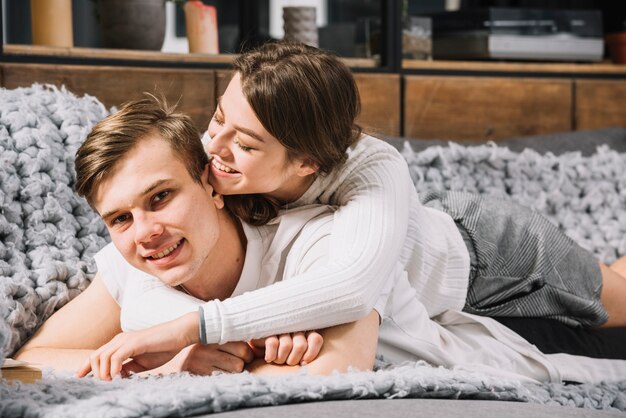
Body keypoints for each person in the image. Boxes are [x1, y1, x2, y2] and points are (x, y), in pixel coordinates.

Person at [74, 41, 626, 372]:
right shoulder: (212, 168)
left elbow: (349, 288)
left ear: (308, 163)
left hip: (488, 254)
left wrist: (188, 332)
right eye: (218, 118)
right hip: (421, 279)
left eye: (245, 143)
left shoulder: (372, 168)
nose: (213, 149)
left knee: (617, 299)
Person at [14, 96, 380, 378]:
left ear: (211, 185)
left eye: (160, 197)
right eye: (121, 218)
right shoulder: (133, 269)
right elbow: (31, 359)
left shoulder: (314, 243)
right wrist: (172, 365)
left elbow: (335, 374)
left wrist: (210, 347)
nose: (146, 234)